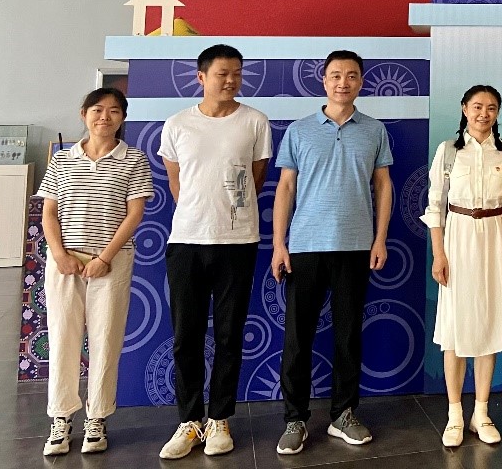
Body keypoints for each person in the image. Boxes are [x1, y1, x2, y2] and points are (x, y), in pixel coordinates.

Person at [271, 51, 394, 455]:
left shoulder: (374, 130)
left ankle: (344, 414)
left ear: (361, 82)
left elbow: (383, 185)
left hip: (356, 246)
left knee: (348, 336)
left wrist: (380, 238)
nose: (344, 82)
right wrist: (279, 244)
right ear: (323, 81)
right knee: (297, 338)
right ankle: (294, 418)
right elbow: (286, 188)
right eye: (336, 75)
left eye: (352, 76)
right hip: (305, 247)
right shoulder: (299, 131)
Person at [158, 44, 272, 459]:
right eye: (223, 73)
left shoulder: (255, 121)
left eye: (237, 73)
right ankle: (189, 421)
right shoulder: (177, 125)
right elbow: (177, 182)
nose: (231, 80)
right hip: (186, 240)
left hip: (237, 242)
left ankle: (219, 418)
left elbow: (256, 179)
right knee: (185, 336)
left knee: (229, 334)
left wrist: (228, 214)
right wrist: (199, 213)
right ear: (201, 77)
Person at [38, 88, 153, 456]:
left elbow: (134, 214)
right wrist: (59, 255)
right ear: (83, 113)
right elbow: (49, 213)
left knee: (106, 339)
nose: (105, 117)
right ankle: (60, 418)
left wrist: (104, 257)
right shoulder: (62, 159)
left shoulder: (134, 159)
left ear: (123, 118)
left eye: (114, 111)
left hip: (112, 262)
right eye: (98, 110)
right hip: (65, 263)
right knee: (63, 338)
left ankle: (97, 418)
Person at [421, 85, 502, 447]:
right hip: (458, 237)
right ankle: (454, 415)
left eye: (491, 108)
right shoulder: (448, 151)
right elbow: (435, 206)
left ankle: (481, 412)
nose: (483, 114)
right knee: (455, 328)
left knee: (489, 324)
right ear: (464, 109)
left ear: (498, 112)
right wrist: (439, 254)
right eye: (477, 106)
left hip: (495, 236)